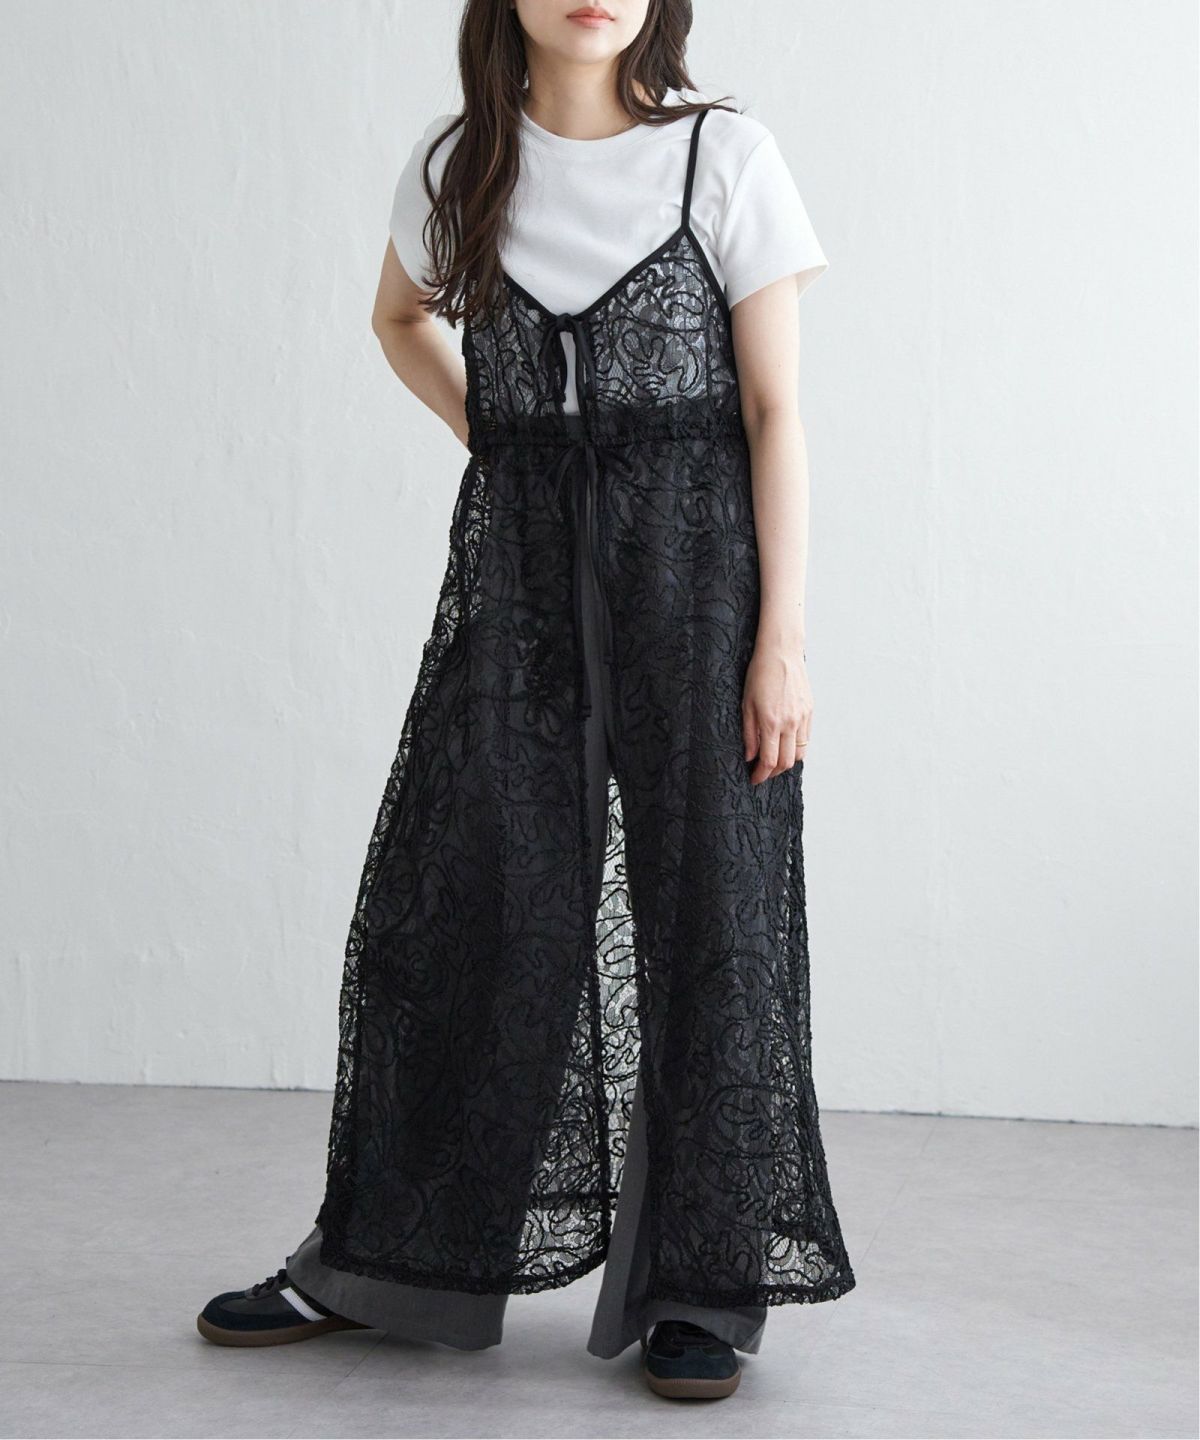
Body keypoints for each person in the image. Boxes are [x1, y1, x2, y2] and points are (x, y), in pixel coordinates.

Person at [197, 0, 855, 1401]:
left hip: (697, 584)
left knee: (711, 916)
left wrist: (784, 640)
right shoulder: (461, 168)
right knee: (473, 898)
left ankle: (703, 1288)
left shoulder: (724, 157)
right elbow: (396, 318)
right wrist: (498, 435)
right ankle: (382, 1260)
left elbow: (775, 413)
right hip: (519, 583)